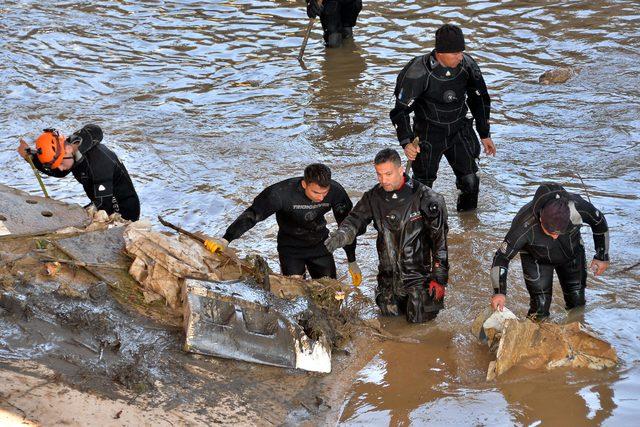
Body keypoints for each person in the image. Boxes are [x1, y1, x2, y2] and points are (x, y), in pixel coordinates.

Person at [324, 148, 449, 323]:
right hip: (388, 278)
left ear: (401, 170)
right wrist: (340, 236)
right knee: (389, 326)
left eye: (388, 174)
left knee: (421, 331)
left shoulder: (428, 198)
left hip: (419, 278)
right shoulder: (373, 197)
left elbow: (440, 241)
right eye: (379, 175)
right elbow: (354, 221)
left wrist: (439, 278)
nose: (383, 180)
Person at [389, 23, 496, 212]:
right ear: (440, 52)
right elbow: (400, 111)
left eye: (461, 52)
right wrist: (406, 142)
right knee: (424, 188)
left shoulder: (467, 66)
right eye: (455, 53)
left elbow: (479, 98)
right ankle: (422, 229)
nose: (460, 57)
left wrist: (484, 133)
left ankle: (468, 227)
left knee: (470, 181)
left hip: (459, 129)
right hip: (429, 133)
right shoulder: (418, 72)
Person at [210, 164, 361, 285]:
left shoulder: (336, 192)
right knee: (294, 292)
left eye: (324, 193)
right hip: (291, 249)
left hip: (321, 247)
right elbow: (252, 216)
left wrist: (352, 261)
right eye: (316, 192)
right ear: (304, 184)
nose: (321, 198)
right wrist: (225, 239)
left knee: (330, 290)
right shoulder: (280, 194)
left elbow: (347, 226)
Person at [490, 183, 610, 320]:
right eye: (551, 232)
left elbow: (598, 221)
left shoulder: (577, 207)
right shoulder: (523, 225)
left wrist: (602, 255)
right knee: (540, 307)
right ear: (541, 218)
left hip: (571, 254)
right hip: (536, 259)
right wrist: (499, 292)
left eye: (559, 232)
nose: (555, 236)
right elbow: (502, 257)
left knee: (577, 302)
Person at [17, 125, 140, 221]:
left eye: (60, 163)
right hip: (99, 199)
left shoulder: (98, 164)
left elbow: (104, 205)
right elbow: (60, 172)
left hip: (123, 210)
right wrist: (31, 158)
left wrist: (74, 216)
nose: (59, 168)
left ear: (69, 149)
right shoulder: (70, 151)